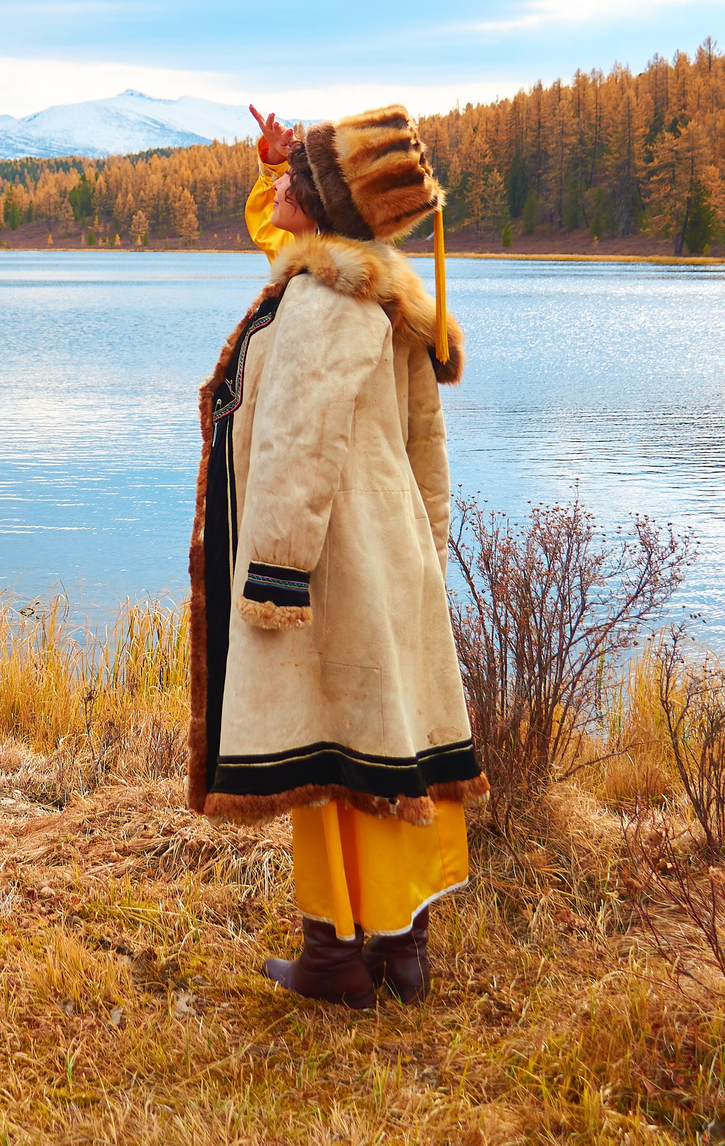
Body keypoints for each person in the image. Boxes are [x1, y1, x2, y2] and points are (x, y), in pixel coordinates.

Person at [187, 103, 484, 1009]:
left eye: (291, 180)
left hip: (323, 556)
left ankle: (331, 957)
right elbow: (428, 446)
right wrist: (426, 550)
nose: (275, 189)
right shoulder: (380, 290)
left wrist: (274, 574)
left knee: (325, 752)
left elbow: (298, 442)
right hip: (383, 550)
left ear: (320, 209)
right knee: (384, 742)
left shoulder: (321, 305)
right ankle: (401, 949)